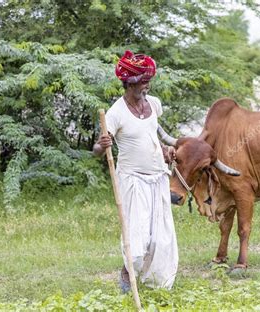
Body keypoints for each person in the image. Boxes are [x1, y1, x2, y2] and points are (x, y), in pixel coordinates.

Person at [93, 50, 178, 291]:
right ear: (129, 83)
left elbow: (152, 133)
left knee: (159, 237)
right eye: (143, 82)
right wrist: (102, 144)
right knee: (138, 238)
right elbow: (97, 149)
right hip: (133, 181)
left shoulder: (153, 104)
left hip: (158, 177)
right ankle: (127, 278)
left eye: (148, 81)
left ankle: (156, 284)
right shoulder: (116, 113)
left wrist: (164, 149)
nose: (147, 87)